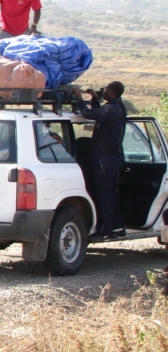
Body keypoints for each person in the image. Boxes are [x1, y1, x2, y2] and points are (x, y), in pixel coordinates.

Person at [73, 82, 127, 241]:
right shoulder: (116, 108)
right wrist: (94, 98)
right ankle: (117, 227)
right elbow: (98, 112)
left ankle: (106, 230)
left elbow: (89, 114)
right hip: (109, 158)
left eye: (107, 90)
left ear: (113, 92)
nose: (105, 92)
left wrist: (79, 98)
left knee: (104, 195)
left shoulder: (113, 108)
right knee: (109, 195)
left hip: (106, 160)